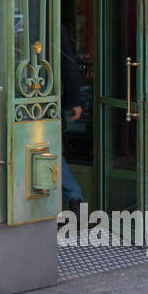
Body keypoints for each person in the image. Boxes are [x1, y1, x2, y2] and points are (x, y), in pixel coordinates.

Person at [59, 25, 87, 216]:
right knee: (50, 154)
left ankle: (74, 198)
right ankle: (74, 198)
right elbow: (68, 63)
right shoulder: (51, 22)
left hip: (39, 102)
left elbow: (68, 63)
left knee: (46, 153)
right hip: (44, 100)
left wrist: (75, 99)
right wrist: (75, 100)